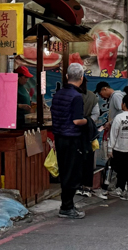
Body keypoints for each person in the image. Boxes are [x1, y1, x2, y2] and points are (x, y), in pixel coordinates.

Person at [51, 63, 89, 219]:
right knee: (72, 173)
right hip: (71, 138)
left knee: (64, 171)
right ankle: (67, 207)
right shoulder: (76, 97)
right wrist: (87, 121)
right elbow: (76, 121)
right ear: (81, 78)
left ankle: (67, 205)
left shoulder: (58, 94)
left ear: (67, 77)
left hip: (59, 137)